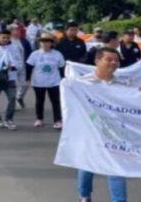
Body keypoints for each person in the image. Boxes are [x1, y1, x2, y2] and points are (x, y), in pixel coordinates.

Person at [76, 47, 130, 202]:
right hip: (90, 133)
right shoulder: (82, 83)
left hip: (115, 134)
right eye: (109, 59)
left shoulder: (123, 85)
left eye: (116, 60)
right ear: (97, 61)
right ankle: (84, 195)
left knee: (116, 169)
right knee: (88, 166)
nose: (114, 63)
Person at [26, 33, 65, 129]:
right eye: (42, 41)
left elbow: (61, 68)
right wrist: (27, 79)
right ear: (40, 43)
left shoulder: (57, 54)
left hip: (54, 82)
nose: (44, 43)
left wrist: (63, 79)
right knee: (39, 101)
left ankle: (57, 120)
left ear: (51, 43)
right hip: (39, 82)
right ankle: (39, 119)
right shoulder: (35, 54)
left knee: (56, 101)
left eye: (47, 41)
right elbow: (29, 67)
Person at [10, 25, 33, 110]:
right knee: (13, 86)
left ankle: (19, 97)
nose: (17, 32)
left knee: (25, 85)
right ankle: (13, 104)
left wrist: (30, 65)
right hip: (11, 68)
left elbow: (30, 54)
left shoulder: (24, 41)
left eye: (18, 30)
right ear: (11, 31)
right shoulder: (8, 41)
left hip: (23, 67)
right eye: (14, 30)